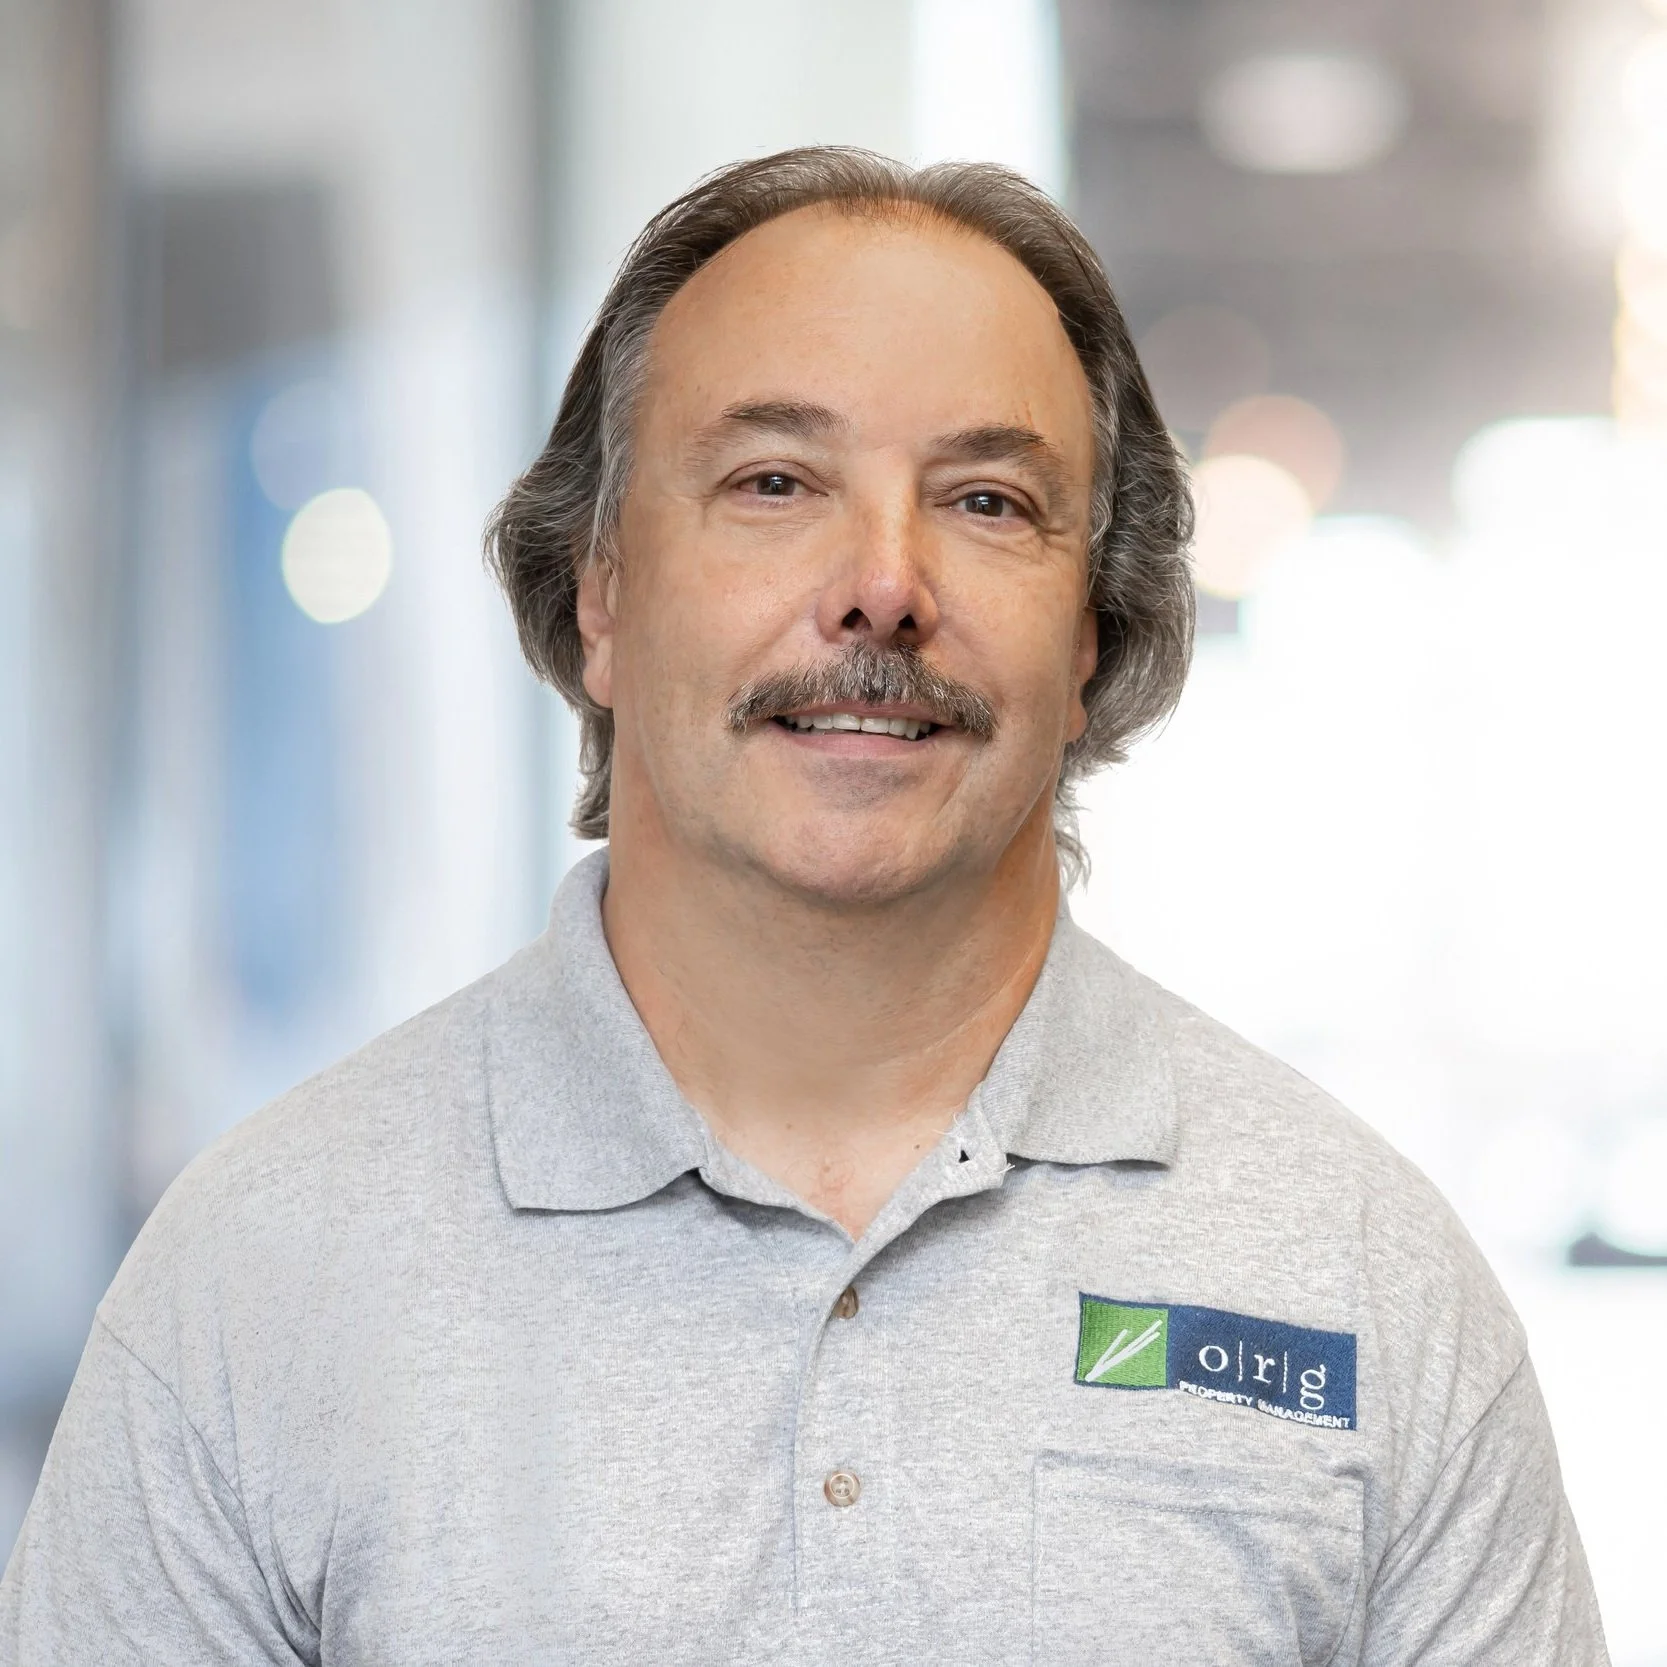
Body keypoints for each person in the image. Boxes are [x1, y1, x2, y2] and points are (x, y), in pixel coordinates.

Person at [0, 147, 1606, 1666]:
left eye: (987, 501)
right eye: (774, 480)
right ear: (601, 594)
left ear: (1091, 642)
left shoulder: (1360, 1282)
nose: (884, 582)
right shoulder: (261, 1275)